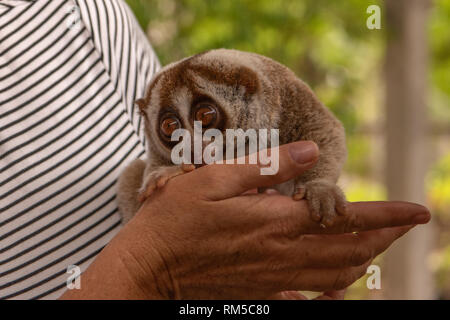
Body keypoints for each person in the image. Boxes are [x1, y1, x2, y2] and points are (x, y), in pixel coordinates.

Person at [0, 0, 430, 300]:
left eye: (206, 117)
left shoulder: (89, 10)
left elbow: (326, 134)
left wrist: (317, 183)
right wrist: (155, 270)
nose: (192, 141)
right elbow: (157, 169)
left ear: (246, 92)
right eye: (173, 127)